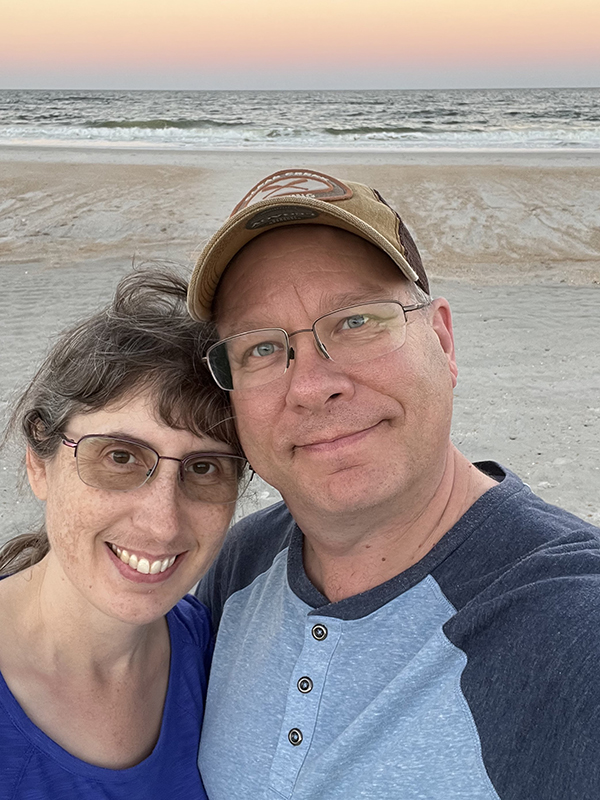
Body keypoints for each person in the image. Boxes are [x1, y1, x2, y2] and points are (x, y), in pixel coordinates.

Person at [188, 168, 600, 800]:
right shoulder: (240, 564)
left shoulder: (569, 623)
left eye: (356, 322)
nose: (310, 384)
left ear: (442, 339)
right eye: (263, 349)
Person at [0, 270, 248, 799]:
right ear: (38, 464)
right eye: (119, 457)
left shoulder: (213, 652)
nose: (162, 523)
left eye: (204, 468)